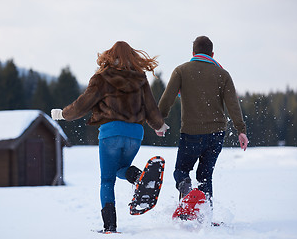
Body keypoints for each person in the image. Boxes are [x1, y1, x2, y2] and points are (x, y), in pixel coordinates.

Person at [51, 41, 169, 233]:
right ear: (133, 56)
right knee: (120, 169)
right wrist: (159, 125)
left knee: (107, 179)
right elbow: (150, 105)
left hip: (111, 132)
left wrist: (62, 114)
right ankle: (138, 176)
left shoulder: (102, 77)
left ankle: (110, 227)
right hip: (135, 134)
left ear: (109, 55)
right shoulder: (140, 77)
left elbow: (82, 105)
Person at [158, 36, 248, 207]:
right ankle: (205, 216)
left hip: (191, 132)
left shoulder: (181, 71)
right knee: (205, 176)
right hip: (216, 134)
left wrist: (159, 121)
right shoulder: (222, 74)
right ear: (212, 54)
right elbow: (233, 104)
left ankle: (186, 193)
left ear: (193, 53)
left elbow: (167, 98)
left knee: (181, 171)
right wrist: (240, 130)